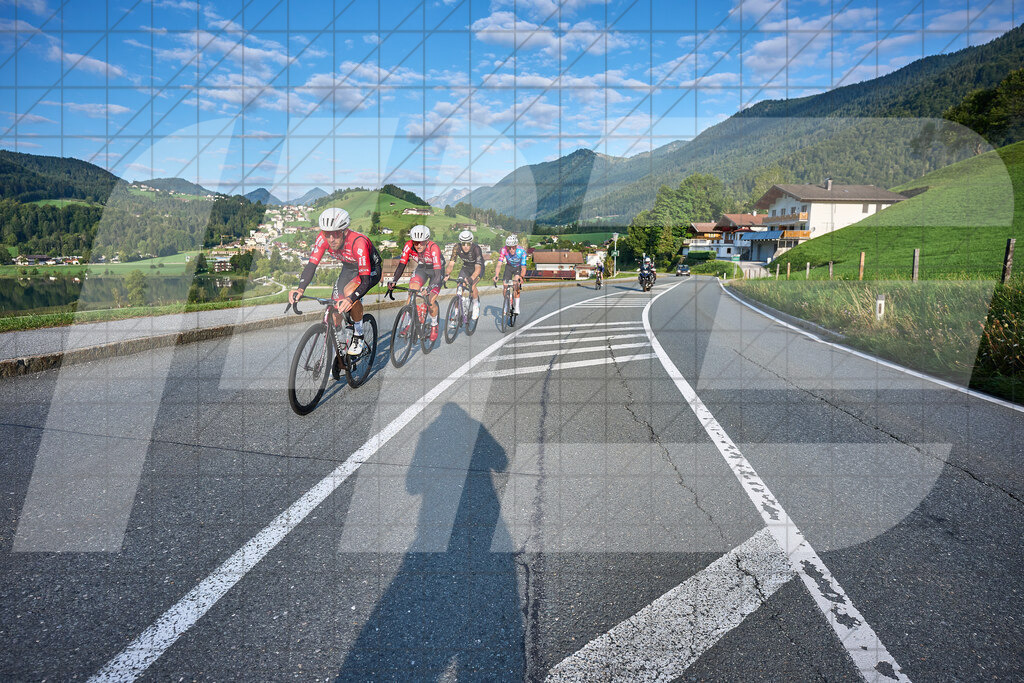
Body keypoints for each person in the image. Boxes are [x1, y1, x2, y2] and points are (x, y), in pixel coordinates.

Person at [289, 207, 381, 355]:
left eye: (336, 234)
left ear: (344, 231)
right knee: (335, 307)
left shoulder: (358, 242)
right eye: (327, 234)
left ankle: (358, 334)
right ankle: (342, 348)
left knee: (350, 293)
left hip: (369, 269)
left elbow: (364, 280)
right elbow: (312, 265)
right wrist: (300, 289)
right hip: (349, 267)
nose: (331, 239)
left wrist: (351, 299)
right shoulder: (323, 239)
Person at [387, 224, 445, 343]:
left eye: (422, 242)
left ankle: (434, 324)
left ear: (427, 241)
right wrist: (394, 280)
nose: (418, 245)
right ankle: (410, 322)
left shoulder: (434, 248)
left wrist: (428, 288)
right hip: (422, 268)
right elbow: (402, 264)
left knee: (430, 300)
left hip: (436, 271)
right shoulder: (408, 245)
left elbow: (437, 275)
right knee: (412, 290)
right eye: (416, 242)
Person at [444, 230, 485, 319]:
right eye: (463, 244)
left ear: (471, 242)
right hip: (466, 267)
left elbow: (478, 269)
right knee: (459, 287)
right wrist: (447, 274)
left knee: (472, 285)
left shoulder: (476, 249)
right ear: (460, 243)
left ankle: (475, 305)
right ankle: (456, 312)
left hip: (477, 268)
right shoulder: (456, 247)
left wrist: (471, 278)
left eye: (468, 244)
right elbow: (451, 264)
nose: (465, 246)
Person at [493, 234, 527, 318]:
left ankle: (517, 306)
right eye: (509, 247)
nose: (511, 249)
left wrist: (521, 277)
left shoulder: (522, 251)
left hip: (518, 268)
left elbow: (523, 267)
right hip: (508, 267)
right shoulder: (504, 250)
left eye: (513, 247)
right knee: (505, 285)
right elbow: (499, 264)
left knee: (516, 284)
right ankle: (506, 304)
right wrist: (496, 275)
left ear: (516, 245)